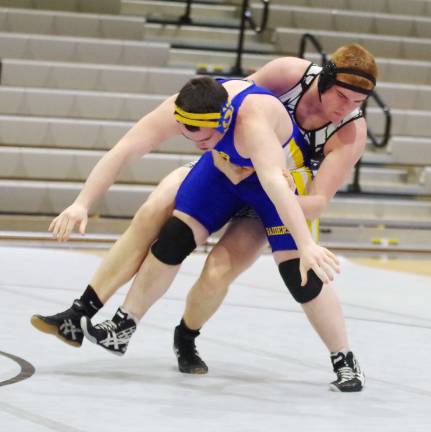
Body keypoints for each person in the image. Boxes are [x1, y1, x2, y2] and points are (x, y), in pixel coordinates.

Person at [31, 43, 377, 392]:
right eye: (342, 97)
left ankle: (343, 357)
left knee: (292, 272)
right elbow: (133, 144)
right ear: (325, 81)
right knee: (166, 229)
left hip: (283, 185)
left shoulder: (345, 132)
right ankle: (117, 322)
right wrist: (82, 202)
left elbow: (306, 196)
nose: (346, 109)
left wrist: (304, 243)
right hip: (229, 165)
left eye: (357, 103)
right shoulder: (257, 87)